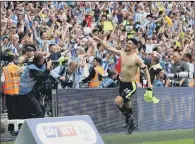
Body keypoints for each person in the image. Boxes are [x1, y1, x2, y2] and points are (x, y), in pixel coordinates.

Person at [92, 35, 153, 134]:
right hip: (122, 83)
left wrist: (149, 84)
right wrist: (100, 40)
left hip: (131, 85)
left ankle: (129, 118)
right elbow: (109, 48)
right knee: (127, 104)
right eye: (127, 43)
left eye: (129, 43)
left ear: (134, 46)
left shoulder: (136, 58)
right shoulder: (122, 53)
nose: (127, 44)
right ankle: (131, 122)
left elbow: (146, 71)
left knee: (117, 102)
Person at [19, 52, 52, 119]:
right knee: (39, 112)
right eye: (43, 59)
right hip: (26, 93)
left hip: (28, 93)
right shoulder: (32, 68)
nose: (44, 61)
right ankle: (32, 127)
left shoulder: (32, 65)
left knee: (42, 108)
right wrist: (48, 67)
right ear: (39, 60)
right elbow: (44, 77)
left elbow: (40, 71)